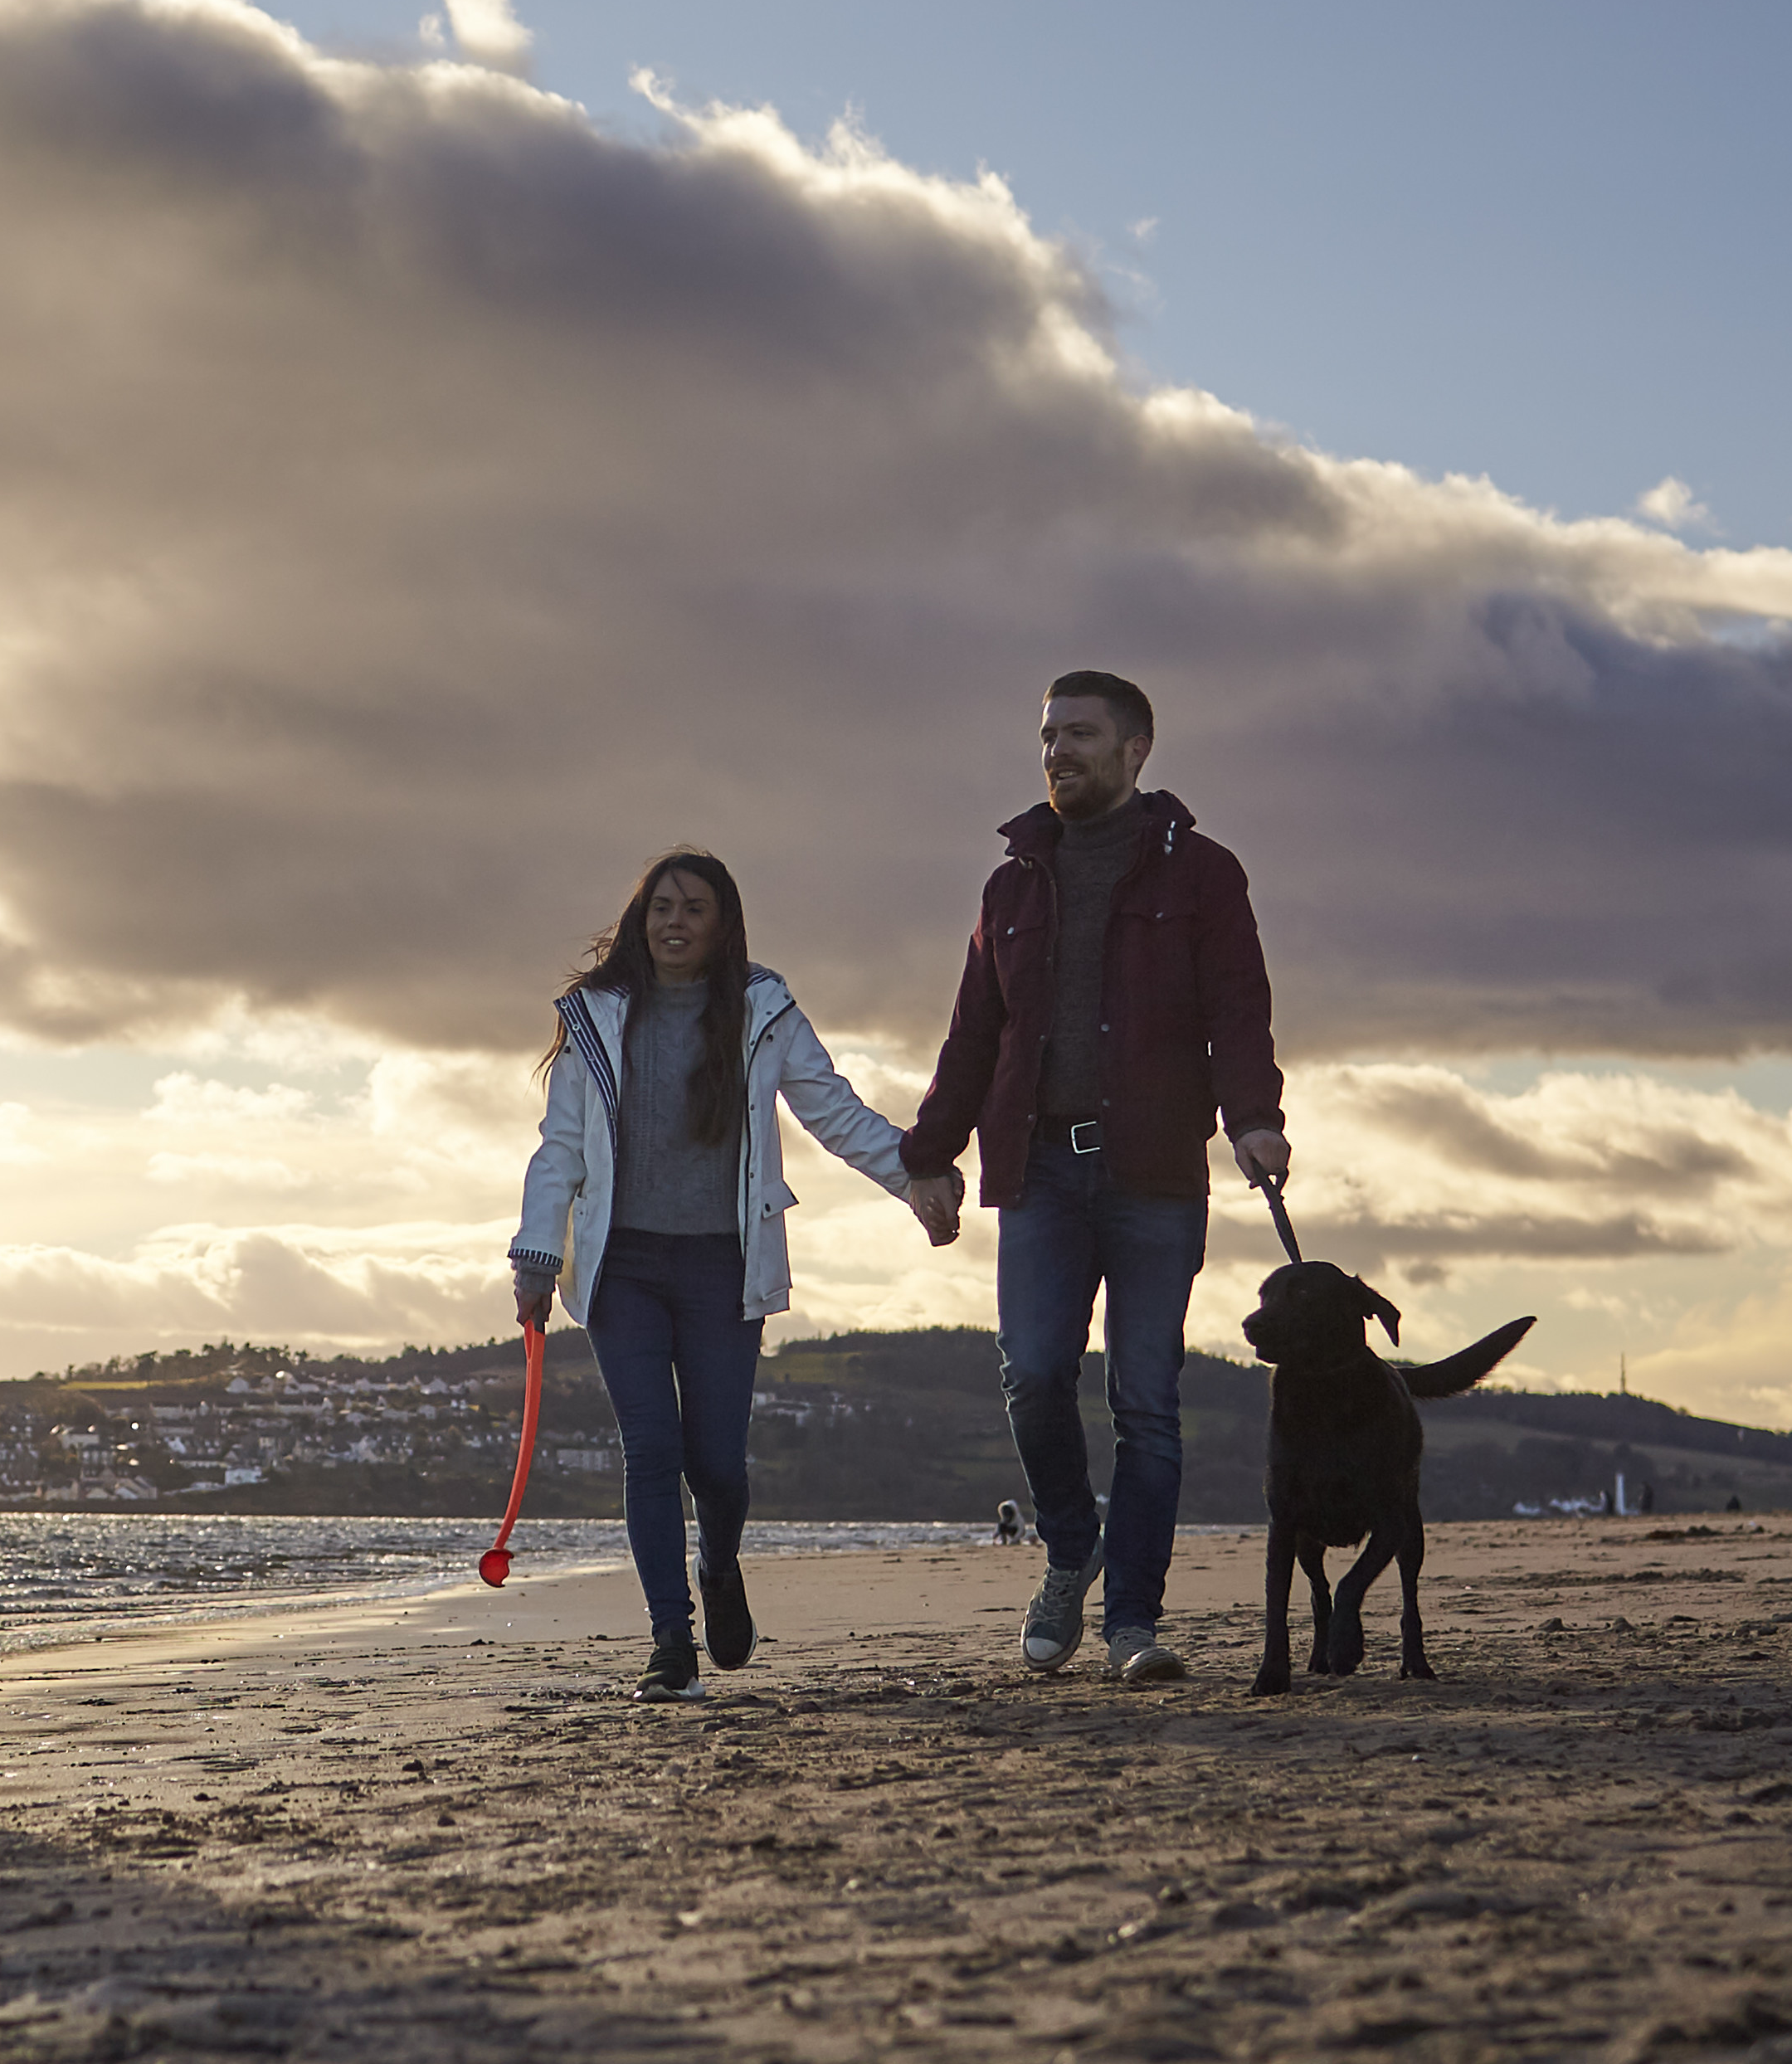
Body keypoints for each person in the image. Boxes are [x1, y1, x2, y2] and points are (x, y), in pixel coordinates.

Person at [895, 672, 1288, 1687]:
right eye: (1047, 735)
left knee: (1147, 1400)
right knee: (1032, 1372)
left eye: (1079, 733)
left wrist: (1253, 1120)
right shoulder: (1012, 883)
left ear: (1136, 749)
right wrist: (928, 1155)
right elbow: (976, 1032)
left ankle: (1134, 1624)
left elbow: (1238, 1007)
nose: (1057, 751)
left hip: (1155, 1170)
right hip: (1037, 1169)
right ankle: (1072, 1548)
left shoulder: (1202, 874)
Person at [510, 849, 956, 1702]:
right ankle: (669, 1644)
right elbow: (558, 1145)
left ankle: (719, 1563)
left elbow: (832, 1107)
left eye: (694, 909)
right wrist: (535, 1253)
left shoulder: (762, 1008)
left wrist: (915, 1179)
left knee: (716, 1463)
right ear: (642, 922)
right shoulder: (597, 1015)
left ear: (724, 925)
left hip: (724, 1262)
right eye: (661, 908)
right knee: (651, 1448)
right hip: (622, 1267)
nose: (674, 922)